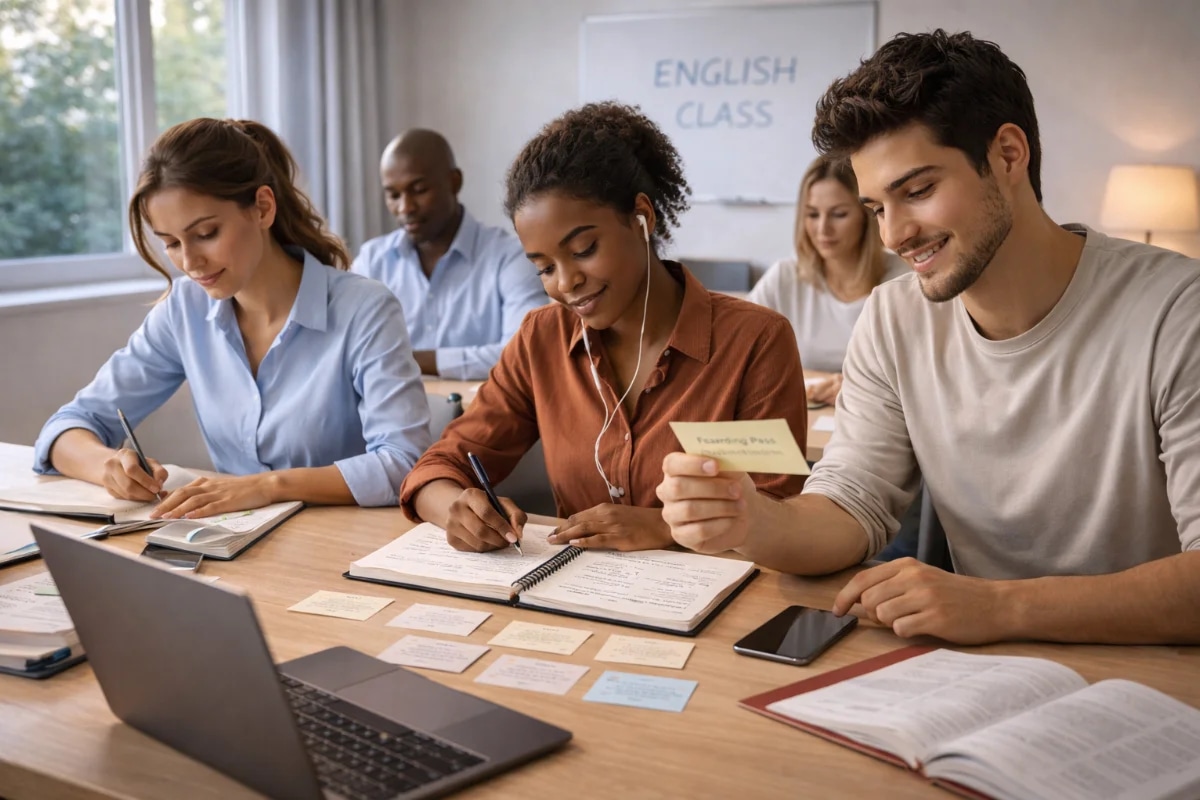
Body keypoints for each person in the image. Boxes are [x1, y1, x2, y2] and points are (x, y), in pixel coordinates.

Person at [657, 30, 1200, 645]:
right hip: (975, 675)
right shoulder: (893, 318)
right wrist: (749, 520)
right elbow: (850, 505)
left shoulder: (1178, 311)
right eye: (877, 208)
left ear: (1009, 155)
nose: (894, 236)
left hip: (1155, 676)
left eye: (917, 192)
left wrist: (999, 608)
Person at [400, 102, 809, 554]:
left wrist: (662, 529)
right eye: (543, 268)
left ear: (642, 219)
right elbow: (437, 468)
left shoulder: (755, 340)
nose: (566, 282)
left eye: (583, 249)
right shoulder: (542, 338)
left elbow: (778, 513)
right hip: (576, 598)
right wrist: (456, 507)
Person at [35, 118, 432, 515]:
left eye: (206, 233)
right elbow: (70, 425)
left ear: (262, 208)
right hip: (228, 546)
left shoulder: (365, 309)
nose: (189, 263)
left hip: (340, 546)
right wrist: (109, 467)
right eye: (171, 243)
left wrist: (269, 487)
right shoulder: (183, 311)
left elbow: (404, 463)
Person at [351, 129, 547, 380]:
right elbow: (349, 350)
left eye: (419, 190)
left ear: (454, 182)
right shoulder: (371, 262)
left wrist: (409, 358)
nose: (405, 207)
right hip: (392, 414)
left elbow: (524, 353)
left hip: (483, 414)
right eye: (394, 195)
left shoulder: (509, 257)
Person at [748, 156, 908, 405]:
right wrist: (819, 383)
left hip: (883, 417)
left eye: (839, 214)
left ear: (867, 215)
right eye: (812, 214)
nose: (823, 229)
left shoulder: (905, 279)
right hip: (809, 418)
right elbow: (740, 357)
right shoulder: (784, 277)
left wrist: (855, 389)